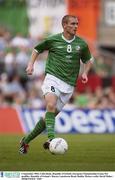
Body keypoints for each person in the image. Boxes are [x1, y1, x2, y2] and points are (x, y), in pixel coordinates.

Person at [19, 15, 94, 154]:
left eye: (77, 23)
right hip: (52, 78)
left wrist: (85, 73)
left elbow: (88, 59)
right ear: (64, 25)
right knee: (51, 105)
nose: (76, 26)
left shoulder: (81, 44)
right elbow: (37, 49)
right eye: (72, 23)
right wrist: (30, 65)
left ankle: (26, 141)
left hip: (69, 85)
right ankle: (51, 139)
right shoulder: (53, 39)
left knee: (49, 115)